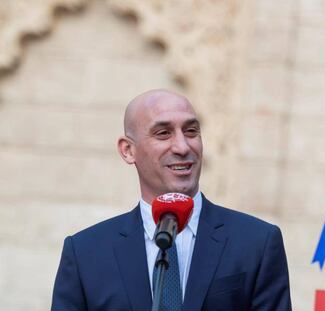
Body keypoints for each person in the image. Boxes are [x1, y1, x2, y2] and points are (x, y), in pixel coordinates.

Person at [52, 89, 291, 310]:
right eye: (163, 133)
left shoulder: (256, 243)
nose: (182, 146)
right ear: (128, 150)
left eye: (191, 131)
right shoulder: (86, 253)